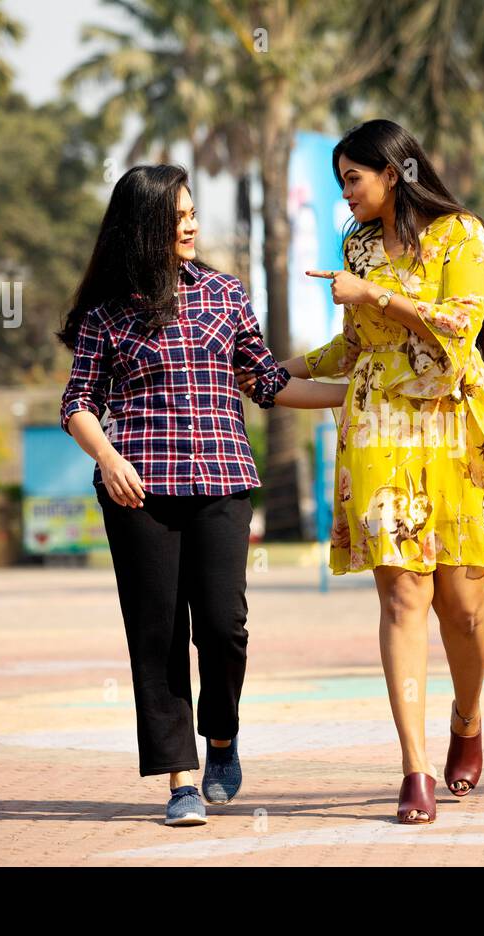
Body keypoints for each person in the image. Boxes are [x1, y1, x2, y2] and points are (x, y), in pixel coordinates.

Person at [237, 120, 484, 824]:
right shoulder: (359, 246)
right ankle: (416, 770)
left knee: (462, 609)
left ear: (392, 173)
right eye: (340, 181)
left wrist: (374, 295)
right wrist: (282, 367)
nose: (345, 195)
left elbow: (460, 326)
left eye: (353, 179)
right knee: (402, 599)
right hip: (379, 435)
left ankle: (467, 719)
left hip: (458, 430)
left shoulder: (463, 234)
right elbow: (358, 343)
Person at [58, 164, 346, 827]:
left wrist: (355, 394)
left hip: (222, 482)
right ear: (144, 226)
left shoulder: (224, 293)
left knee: (224, 627)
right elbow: (77, 404)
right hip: (138, 493)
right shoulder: (107, 315)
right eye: (177, 214)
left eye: (192, 212)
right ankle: (180, 780)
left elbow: (268, 382)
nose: (191, 224)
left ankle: (221, 735)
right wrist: (107, 459)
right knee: (157, 636)